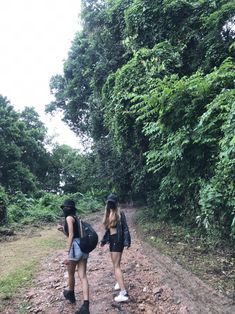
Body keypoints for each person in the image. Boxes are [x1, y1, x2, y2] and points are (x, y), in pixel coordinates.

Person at [58, 199, 90, 314]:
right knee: (83, 276)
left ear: (66, 209)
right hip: (83, 247)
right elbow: (73, 233)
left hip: (75, 248)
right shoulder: (76, 218)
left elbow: (71, 235)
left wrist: (68, 251)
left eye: (65, 208)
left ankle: (71, 294)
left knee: (71, 273)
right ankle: (86, 306)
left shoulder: (68, 218)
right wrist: (63, 230)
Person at [100, 193, 131, 302]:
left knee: (116, 266)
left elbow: (125, 228)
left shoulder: (119, 213)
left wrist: (127, 241)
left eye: (112, 202)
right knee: (115, 265)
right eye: (109, 202)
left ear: (115, 203)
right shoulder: (108, 213)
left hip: (117, 241)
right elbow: (108, 231)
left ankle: (124, 293)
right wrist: (103, 241)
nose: (110, 204)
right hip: (113, 241)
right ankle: (119, 281)